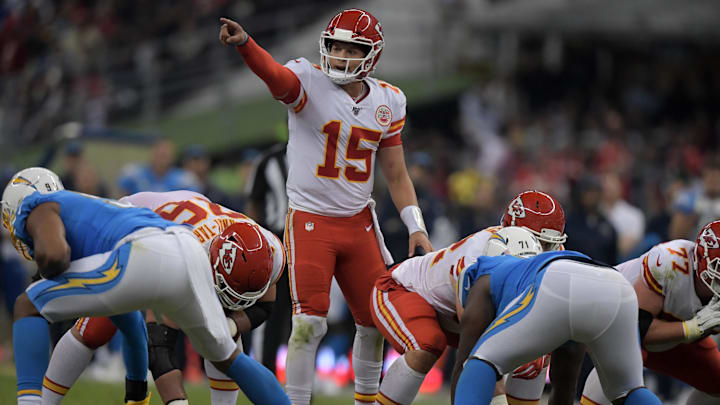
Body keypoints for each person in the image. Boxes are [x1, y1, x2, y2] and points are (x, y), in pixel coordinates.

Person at [219, 8, 434, 405]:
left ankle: (366, 401)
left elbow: (397, 175)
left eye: (350, 49)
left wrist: (415, 226)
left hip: (358, 223)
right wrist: (247, 46)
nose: (338, 55)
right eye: (334, 46)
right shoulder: (308, 81)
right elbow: (274, 74)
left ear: (372, 55)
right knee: (308, 324)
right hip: (310, 221)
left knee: (374, 322)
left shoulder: (389, 101)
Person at [2, 168, 290, 405]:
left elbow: (54, 255)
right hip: (165, 233)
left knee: (29, 305)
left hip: (153, 242)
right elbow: (143, 332)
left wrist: (44, 278)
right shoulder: (224, 249)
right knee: (225, 353)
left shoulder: (265, 249)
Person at [450, 251, 662, 405]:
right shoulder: (519, 269)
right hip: (617, 285)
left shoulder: (482, 274)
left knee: (480, 361)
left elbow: (466, 361)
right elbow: (565, 385)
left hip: (556, 280)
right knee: (629, 391)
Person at [371, 226, 542, 405]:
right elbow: (470, 351)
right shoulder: (475, 266)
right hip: (404, 287)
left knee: (530, 358)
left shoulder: (533, 254)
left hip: (452, 313)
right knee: (431, 346)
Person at [581, 220, 720, 405]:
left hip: (672, 334)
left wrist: (695, 329)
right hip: (618, 321)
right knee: (623, 377)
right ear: (701, 259)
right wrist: (694, 328)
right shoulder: (671, 262)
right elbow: (638, 328)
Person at [245, 142, 292, 374]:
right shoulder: (268, 160)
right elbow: (253, 202)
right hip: (277, 242)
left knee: (307, 317)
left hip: (311, 244)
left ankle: (300, 385)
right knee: (271, 312)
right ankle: (266, 375)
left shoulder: (319, 154)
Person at [117, 137, 199, 196]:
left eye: (165, 155)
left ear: (172, 157)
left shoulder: (184, 179)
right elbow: (122, 199)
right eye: (159, 155)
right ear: (152, 153)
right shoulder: (134, 173)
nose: (161, 160)